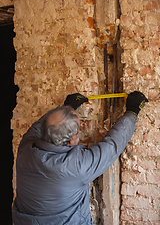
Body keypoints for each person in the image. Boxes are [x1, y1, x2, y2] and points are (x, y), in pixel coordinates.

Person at [12, 91, 148, 225]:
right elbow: (112, 145)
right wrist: (133, 111)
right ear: (72, 140)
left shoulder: (25, 147)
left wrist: (67, 108)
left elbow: (39, 127)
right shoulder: (77, 166)